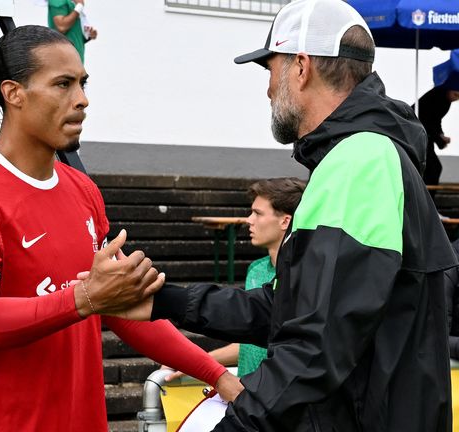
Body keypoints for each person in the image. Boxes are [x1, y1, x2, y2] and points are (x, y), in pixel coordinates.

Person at [119, 1, 457, 431]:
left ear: (300, 67)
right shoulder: (357, 156)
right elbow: (290, 308)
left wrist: (235, 426)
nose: (267, 90)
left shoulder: (359, 160)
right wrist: (165, 301)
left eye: (270, 70)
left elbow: (317, 346)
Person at [0, 25, 241, 432]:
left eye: (82, 83)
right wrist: (84, 298)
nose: (82, 100)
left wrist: (217, 375)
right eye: (62, 84)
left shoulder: (83, 189)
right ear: (14, 93)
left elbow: (124, 313)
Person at [201, 178, 305, 378]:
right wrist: (197, 361)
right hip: (248, 397)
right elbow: (251, 342)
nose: (249, 220)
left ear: (286, 221)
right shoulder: (256, 270)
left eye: (257, 213)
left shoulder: (306, 275)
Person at [413, 84, 459, 202]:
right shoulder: (438, 96)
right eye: (456, 95)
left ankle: (428, 205)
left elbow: (435, 120)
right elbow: (426, 119)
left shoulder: (444, 99)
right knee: (433, 169)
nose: (456, 99)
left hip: (423, 135)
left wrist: (441, 136)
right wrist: (440, 139)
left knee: (433, 168)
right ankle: (428, 206)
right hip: (415, 133)